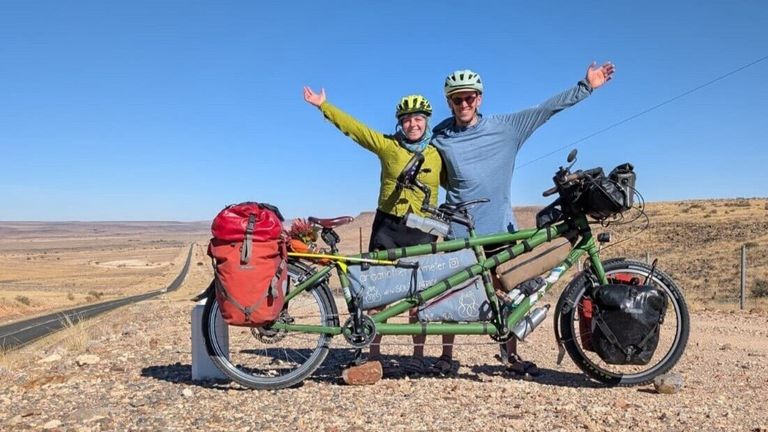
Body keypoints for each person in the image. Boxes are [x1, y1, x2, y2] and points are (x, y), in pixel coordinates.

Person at [431, 62, 616, 378]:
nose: (464, 104)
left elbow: (546, 110)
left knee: (514, 292)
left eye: (470, 98)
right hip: (459, 230)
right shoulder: (440, 138)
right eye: (457, 99)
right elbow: (433, 174)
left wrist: (586, 86)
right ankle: (446, 357)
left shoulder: (506, 127)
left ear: (479, 99)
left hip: (499, 227)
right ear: (449, 102)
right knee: (455, 293)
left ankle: (510, 355)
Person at [303, 87, 456, 375]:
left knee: (418, 298)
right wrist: (324, 106)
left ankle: (417, 355)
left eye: (418, 119)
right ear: (400, 123)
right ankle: (372, 353)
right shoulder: (388, 146)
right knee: (375, 295)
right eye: (407, 119)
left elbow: (455, 183)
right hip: (388, 227)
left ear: (427, 120)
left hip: (422, 230)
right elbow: (356, 130)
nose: (413, 124)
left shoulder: (437, 154)